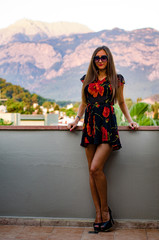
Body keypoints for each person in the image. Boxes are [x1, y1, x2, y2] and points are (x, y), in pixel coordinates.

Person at [67, 46, 138, 232]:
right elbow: (84, 102)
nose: (100, 60)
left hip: (107, 126)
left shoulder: (117, 79)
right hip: (90, 125)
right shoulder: (87, 79)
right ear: (93, 60)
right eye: (96, 58)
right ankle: (98, 213)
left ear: (109, 59)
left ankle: (106, 211)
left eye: (103, 58)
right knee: (91, 173)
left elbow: (121, 102)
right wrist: (76, 120)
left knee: (95, 168)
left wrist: (130, 120)